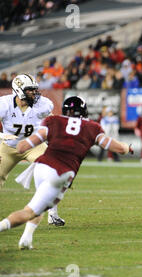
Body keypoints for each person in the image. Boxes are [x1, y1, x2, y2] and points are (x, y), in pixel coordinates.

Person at [0, 96, 133, 249]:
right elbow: (120, 149)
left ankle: (26, 238)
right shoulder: (92, 127)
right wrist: (128, 147)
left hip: (41, 166)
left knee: (41, 202)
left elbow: (22, 147)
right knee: (30, 211)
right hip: (59, 173)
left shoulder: (53, 121)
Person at [0, 73, 65, 226]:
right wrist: (2, 136)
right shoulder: (4, 104)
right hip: (7, 145)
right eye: (30, 90)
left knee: (53, 173)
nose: (35, 93)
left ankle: (53, 215)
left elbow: (51, 119)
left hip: (33, 144)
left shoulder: (43, 104)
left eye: (35, 90)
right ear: (19, 90)